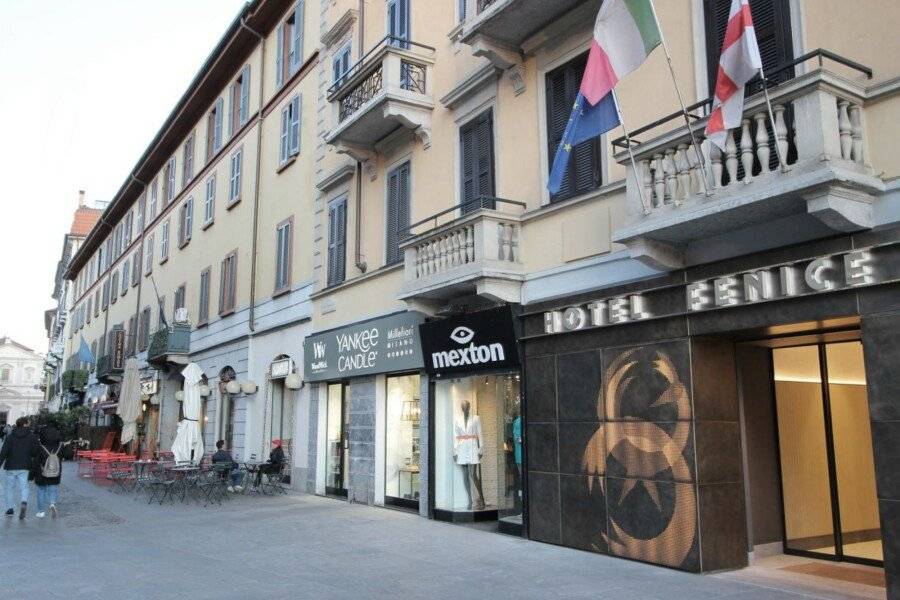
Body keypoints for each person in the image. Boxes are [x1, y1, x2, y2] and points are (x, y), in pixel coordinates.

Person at [32, 425, 72, 518]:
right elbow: (68, 456)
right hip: (55, 472)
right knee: (53, 489)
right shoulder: (60, 446)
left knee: (41, 491)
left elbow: (36, 462)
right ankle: (52, 504)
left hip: (41, 473)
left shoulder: (41, 447)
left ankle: (41, 512)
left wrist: (31, 475)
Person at [0, 417, 36, 519]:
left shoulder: (10, 436)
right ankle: (24, 501)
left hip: (11, 465)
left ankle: (10, 509)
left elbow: (4, 452)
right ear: (25, 424)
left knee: (9, 488)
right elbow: (34, 452)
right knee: (24, 486)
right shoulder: (32, 437)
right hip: (25, 465)